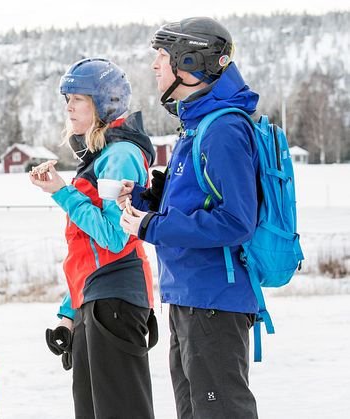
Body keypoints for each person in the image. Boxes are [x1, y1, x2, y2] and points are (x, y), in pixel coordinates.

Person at [118, 17, 261, 419]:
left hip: (213, 299)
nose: (154, 66)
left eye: (162, 57)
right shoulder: (195, 124)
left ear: (191, 62)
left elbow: (236, 220)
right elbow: (197, 202)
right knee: (194, 411)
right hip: (188, 296)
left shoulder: (223, 130)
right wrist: (148, 201)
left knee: (220, 412)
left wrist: (151, 227)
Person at [31, 58, 158, 419]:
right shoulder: (101, 156)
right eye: (67, 98)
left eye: (79, 99)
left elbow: (112, 237)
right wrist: (67, 315)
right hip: (96, 298)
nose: (69, 107)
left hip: (115, 298)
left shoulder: (120, 156)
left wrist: (62, 192)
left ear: (105, 105)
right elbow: (86, 254)